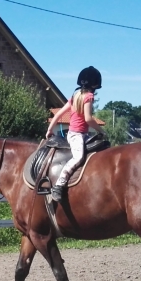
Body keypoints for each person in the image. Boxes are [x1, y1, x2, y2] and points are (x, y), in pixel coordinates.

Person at [44, 66, 106, 202]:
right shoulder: (88, 97)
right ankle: (59, 185)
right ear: (94, 85)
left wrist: (49, 129)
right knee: (78, 157)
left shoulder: (75, 96)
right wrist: (101, 131)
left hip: (81, 134)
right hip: (77, 135)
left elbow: (59, 114)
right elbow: (88, 119)